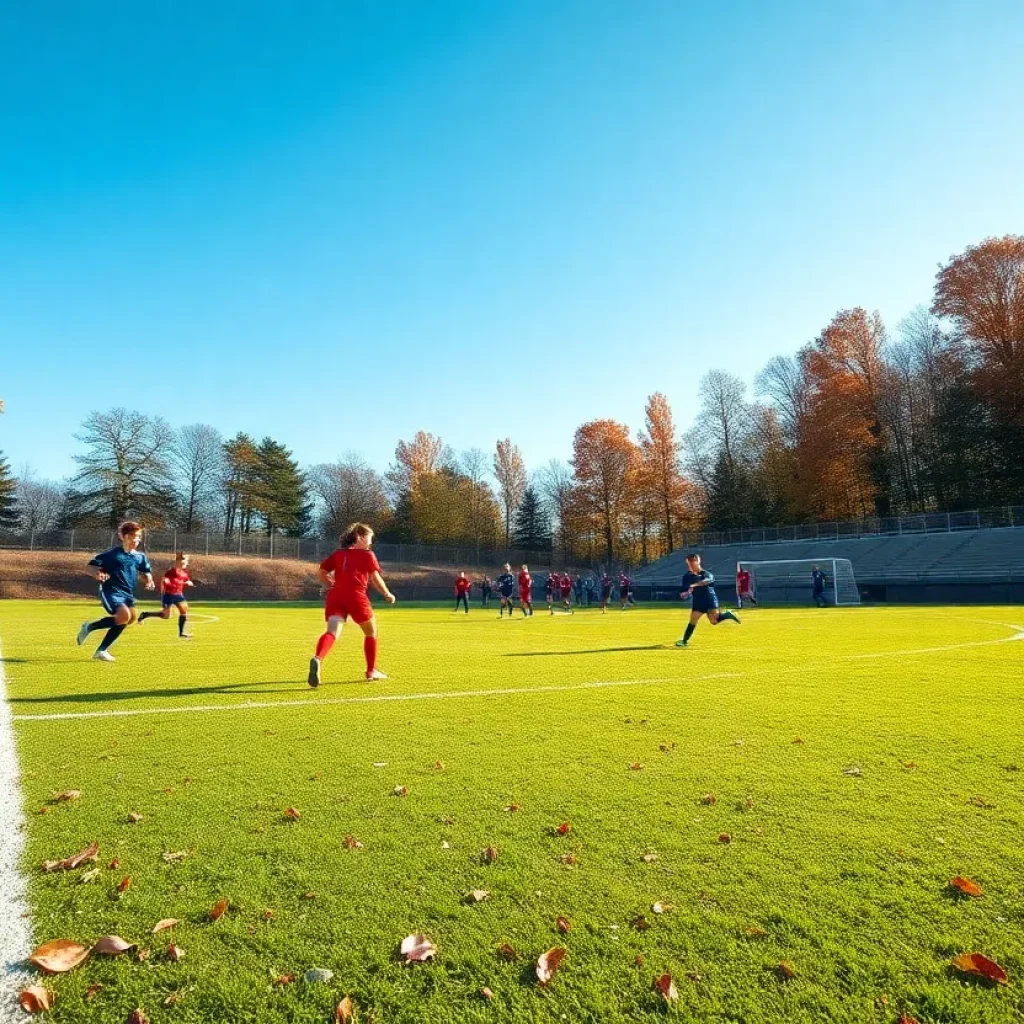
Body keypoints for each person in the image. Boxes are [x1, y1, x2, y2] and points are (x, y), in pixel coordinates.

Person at [308, 522, 395, 687]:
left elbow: (321, 572)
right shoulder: (367, 554)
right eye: (369, 539)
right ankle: (371, 671)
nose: (370, 543)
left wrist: (330, 584)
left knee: (332, 632)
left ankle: (317, 658)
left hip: (335, 596)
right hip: (356, 597)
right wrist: (387, 594)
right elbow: (375, 578)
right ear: (360, 537)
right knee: (371, 632)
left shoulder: (339, 554)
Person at [75, 521, 155, 661]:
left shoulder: (139, 556)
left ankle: (95, 637)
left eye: (138, 536)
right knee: (123, 616)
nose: (136, 539)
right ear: (123, 537)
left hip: (127, 594)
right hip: (111, 591)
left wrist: (149, 580)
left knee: (130, 619)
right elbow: (91, 566)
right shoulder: (111, 555)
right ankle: (98, 643)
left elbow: (146, 570)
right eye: (132, 536)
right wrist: (98, 573)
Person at [676, 553, 740, 647]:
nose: (691, 566)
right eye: (689, 564)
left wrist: (693, 585)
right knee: (693, 620)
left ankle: (727, 614)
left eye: (693, 564)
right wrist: (684, 594)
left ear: (698, 562)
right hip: (698, 601)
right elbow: (683, 590)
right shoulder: (687, 577)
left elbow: (706, 581)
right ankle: (684, 641)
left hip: (710, 600)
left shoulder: (706, 574)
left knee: (714, 621)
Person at [138, 551, 196, 638]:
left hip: (178, 595)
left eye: (186, 561)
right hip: (168, 595)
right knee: (166, 616)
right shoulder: (171, 572)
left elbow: (186, 580)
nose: (186, 563)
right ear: (178, 561)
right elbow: (166, 581)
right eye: (185, 560)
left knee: (184, 611)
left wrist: (188, 582)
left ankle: (181, 633)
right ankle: (146, 614)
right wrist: (167, 582)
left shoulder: (184, 573)